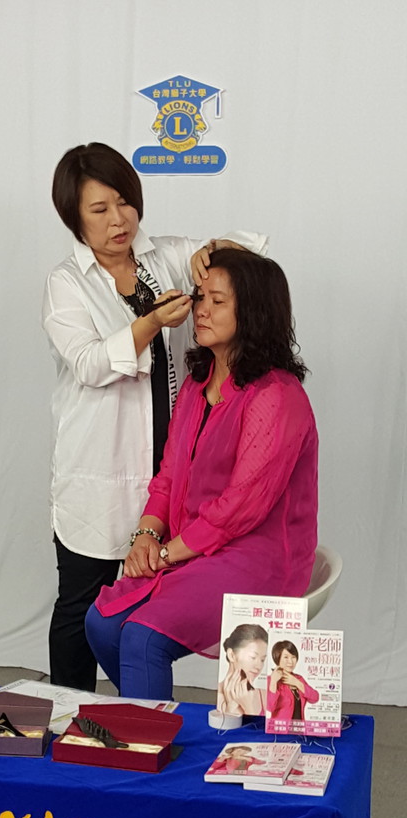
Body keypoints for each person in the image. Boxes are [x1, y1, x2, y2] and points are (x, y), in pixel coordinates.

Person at [43, 142, 267, 691]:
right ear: (74, 218)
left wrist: (212, 250)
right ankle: (71, 709)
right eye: (100, 209)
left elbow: (252, 252)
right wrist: (149, 324)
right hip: (97, 470)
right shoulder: (66, 284)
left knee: (141, 600)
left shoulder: (165, 256)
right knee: (80, 604)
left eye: (125, 202)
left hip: (166, 473)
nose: (118, 220)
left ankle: (135, 711)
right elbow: (90, 364)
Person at [86, 247, 318, 700]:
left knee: (143, 637)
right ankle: (157, 723)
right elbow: (169, 474)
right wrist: (146, 536)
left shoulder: (277, 395)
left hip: (256, 558)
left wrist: (167, 554)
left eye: (217, 301)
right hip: (193, 548)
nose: (201, 310)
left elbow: (240, 508)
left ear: (252, 312)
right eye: (199, 297)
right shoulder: (197, 383)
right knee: (101, 623)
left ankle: (148, 737)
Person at [217, 624, 269, 716]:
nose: (259, 666)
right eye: (253, 657)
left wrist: (249, 707)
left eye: (262, 660)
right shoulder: (217, 695)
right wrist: (231, 707)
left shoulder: (264, 695)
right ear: (231, 655)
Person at [267, 640, 319, 724]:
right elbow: (270, 707)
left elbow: (315, 698)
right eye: (286, 657)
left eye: (293, 657)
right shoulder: (270, 680)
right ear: (277, 658)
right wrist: (273, 682)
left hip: (299, 729)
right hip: (280, 729)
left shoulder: (299, 679)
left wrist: (297, 683)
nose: (290, 662)